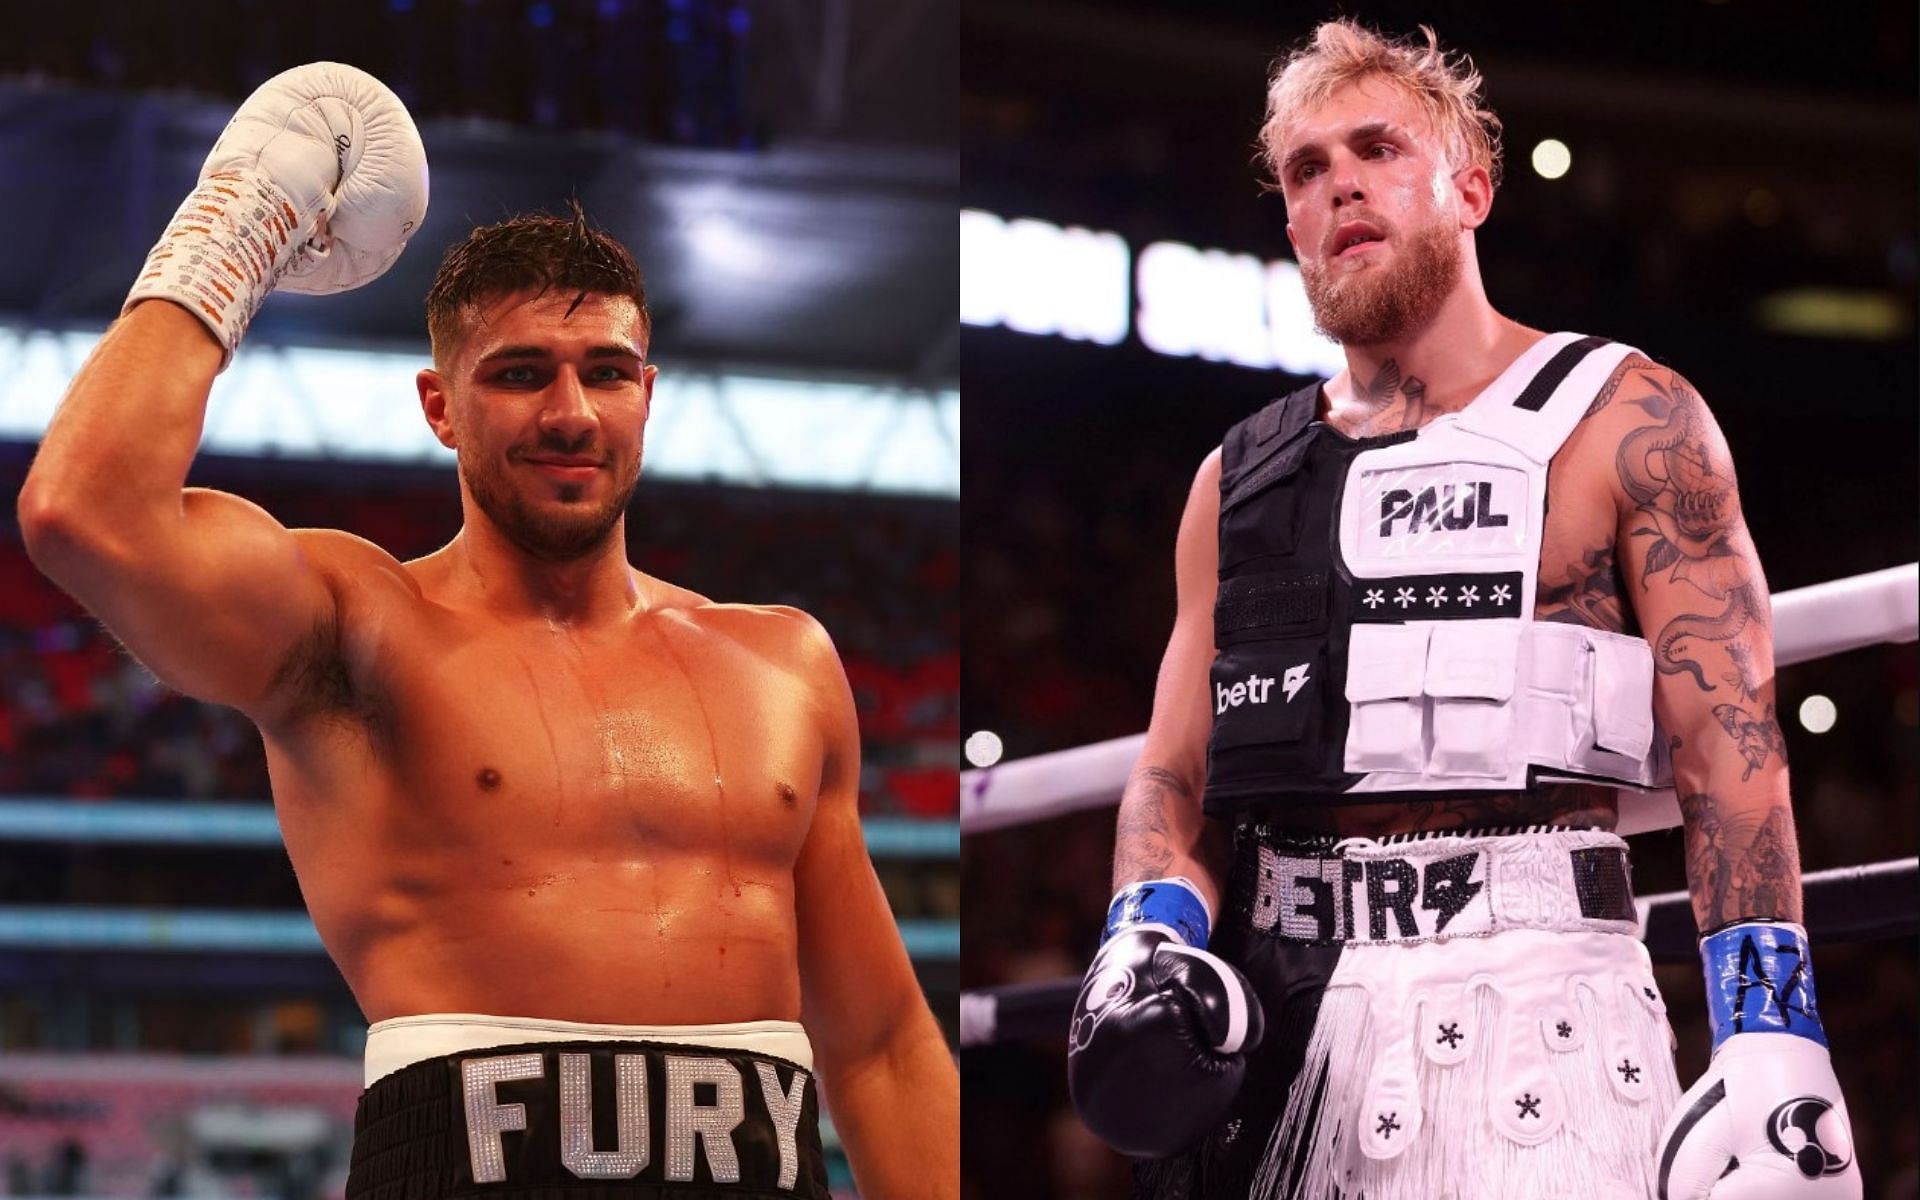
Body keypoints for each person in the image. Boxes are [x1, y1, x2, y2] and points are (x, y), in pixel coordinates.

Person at [17, 63, 956, 1200]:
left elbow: (883, 1047)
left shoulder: (783, 661)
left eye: (605, 373)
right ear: (440, 405)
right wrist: (239, 222)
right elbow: (86, 513)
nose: (570, 413)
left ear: (646, 396)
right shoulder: (356, 622)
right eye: (519, 375)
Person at [1065, 21, 1859, 1200]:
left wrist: (1772, 1032)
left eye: (1377, 148)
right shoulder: (1237, 480)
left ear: (1470, 186)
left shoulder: (1625, 418)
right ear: (1290, 223)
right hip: (1289, 1024)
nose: (1341, 183)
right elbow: (1172, 780)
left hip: (1549, 1009)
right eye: (1306, 169)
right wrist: (1142, 938)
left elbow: (1729, 750)